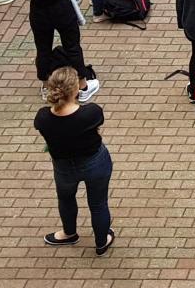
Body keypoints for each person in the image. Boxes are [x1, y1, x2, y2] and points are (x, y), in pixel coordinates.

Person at [34, 66, 114, 255]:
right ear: (76, 89)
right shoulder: (91, 113)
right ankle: (101, 242)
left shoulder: (43, 118)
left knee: (66, 198)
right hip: (95, 163)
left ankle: (69, 233)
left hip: (64, 167)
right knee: (98, 203)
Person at [18, 0, 100, 101]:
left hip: (38, 13)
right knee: (72, 46)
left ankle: (46, 85)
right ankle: (83, 86)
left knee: (43, 49)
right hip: (61, 11)